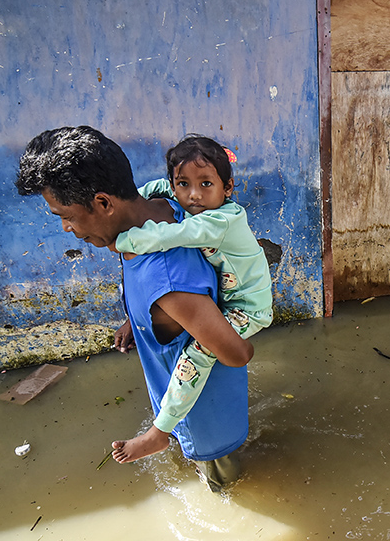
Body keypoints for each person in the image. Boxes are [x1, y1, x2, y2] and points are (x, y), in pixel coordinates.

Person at [14, 125, 251, 490]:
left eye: (67, 215)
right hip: (181, 400)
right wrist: (137, 320)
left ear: (105, 204)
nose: (65, 227)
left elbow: (235, 353)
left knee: (225, 488)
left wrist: (172, 314)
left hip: (207, 420)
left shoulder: (169, 281)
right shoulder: (160, 211)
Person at [114, 135, 272, 441]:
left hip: (248, 310)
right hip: (228, 301)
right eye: (183, 184)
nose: (193, 195)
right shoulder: (181, 197)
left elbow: (172, 235)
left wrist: (120, 239)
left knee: (197, 354)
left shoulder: (222, 220)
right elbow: (153, 190)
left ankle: (160, 431)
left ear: (228, 188)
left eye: (206, 184)